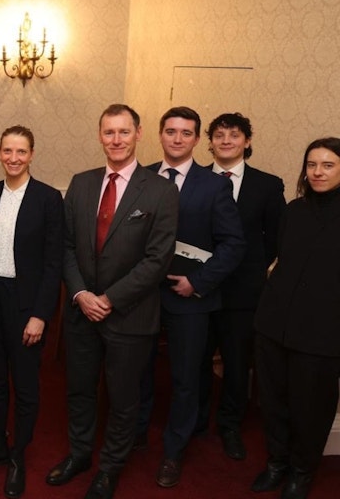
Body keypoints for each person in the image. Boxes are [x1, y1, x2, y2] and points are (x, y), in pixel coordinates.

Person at [47, 104, 178, 499]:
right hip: (82, 311)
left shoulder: (160, 190)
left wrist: (109, 298)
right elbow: (66, 247)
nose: (116, 140)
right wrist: (82, 294)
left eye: (124, 132)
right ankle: (81, 454)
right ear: (100, 135)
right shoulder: (82, 183)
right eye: (108, 132)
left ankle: (109, 468)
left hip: (131, 316)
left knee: (123, 399)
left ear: (138, 134)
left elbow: (158, 259)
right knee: (80, 389)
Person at [137, 106, 245, 488]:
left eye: (185, 133)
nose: (177, 139)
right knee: (139, 370)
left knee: (186, 378)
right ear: (160, 134)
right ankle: (134, 435)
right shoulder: (142, 176)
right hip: (143, 296)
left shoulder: (214, 185)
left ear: (198, 139)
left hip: (190, 297)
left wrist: (197, 282)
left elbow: (234, 245)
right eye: (170, 131)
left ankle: (174, 450)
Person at [0, 126, 64, 498]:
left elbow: (54, 263)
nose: (13, 158)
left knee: (25, 384)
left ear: (32, 154)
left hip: (26, 303)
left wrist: (41, 315)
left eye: (21, 151)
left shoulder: (49, 199)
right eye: (7, 151)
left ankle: (19, 455)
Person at [251, 137, 340, 499]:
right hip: (273, 325)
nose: (317, 172)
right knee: (272, 401)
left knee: (311, 408)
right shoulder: (294, 209)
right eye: (312, 165)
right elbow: (280, 260)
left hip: (322, 333)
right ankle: (277, 462)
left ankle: (302, 472)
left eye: (328, 165)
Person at [197, 112, 285, 461]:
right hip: (198, 286)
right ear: (210, 142)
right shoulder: (195, 179)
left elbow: (276, 239)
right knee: (196, 359)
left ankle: (230, 423)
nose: (226, 140)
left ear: (247, 141)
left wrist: (255, 272)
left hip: (243, 291)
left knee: (236, 363)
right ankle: (196, 420)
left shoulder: (267, 184)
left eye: (235, 135)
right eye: (219, 135)